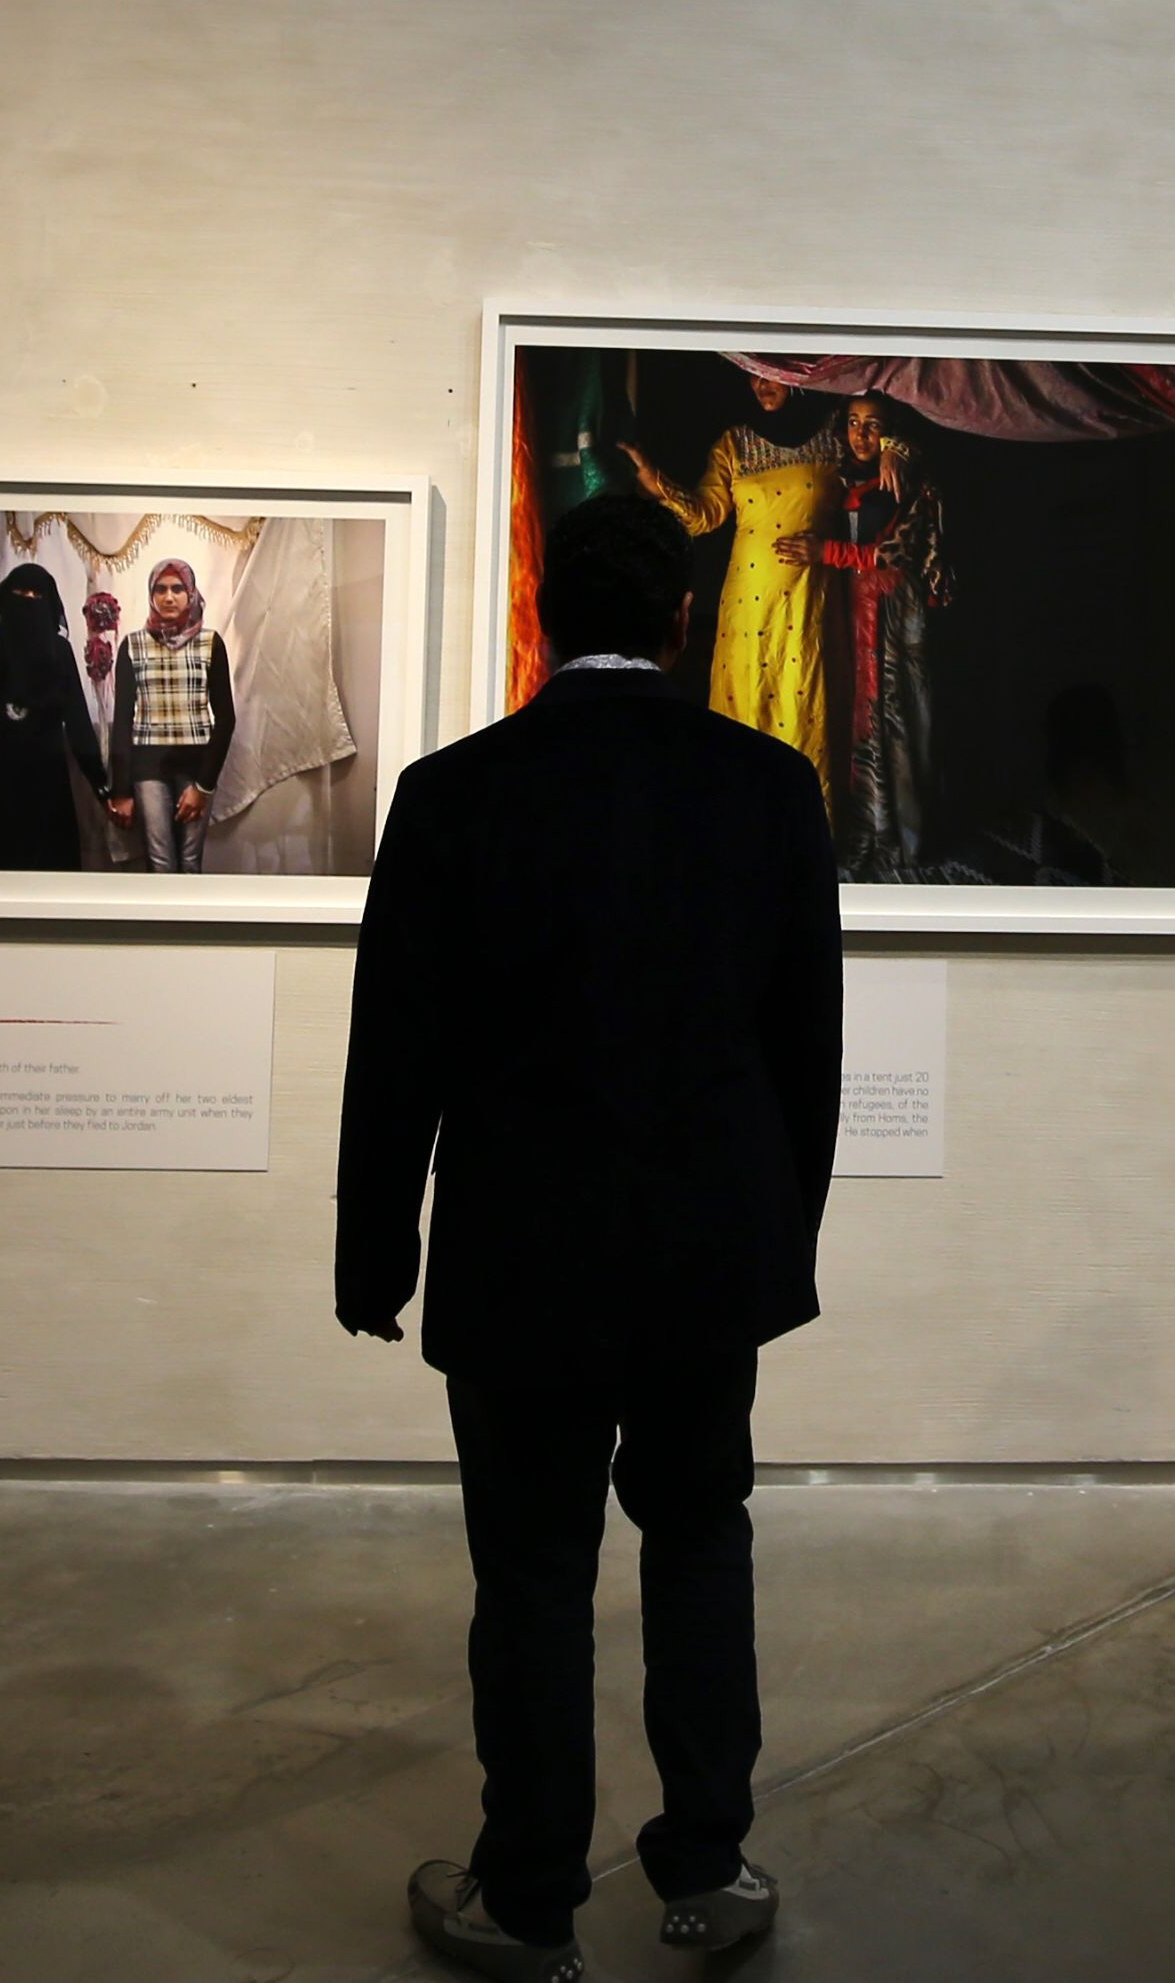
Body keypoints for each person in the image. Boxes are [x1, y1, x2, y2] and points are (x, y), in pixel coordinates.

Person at [335, 496, 841, 1976]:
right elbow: (800, 1051)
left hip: (519, 1258)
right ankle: (705, 1864)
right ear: (681, 620)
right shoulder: (766, 788)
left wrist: (378, 1256)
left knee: (536, 1571)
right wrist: (777, 1237)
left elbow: (395, 1055)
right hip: (703, 1263)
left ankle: (530, 1895)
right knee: (698, 1538)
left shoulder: (451, 794)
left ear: (546, 619)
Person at [625, 368, 846, 796]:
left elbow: (872, 474)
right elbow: (707, 514)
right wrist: (659, 484)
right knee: (749, 697)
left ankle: (804, 823)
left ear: (797, 378)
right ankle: (743, 819)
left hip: (810, 597)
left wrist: (895, 449)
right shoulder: (735, 443)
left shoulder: (835, 436)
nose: (761, 386)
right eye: (752, 377)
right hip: (750, 600)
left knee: (806, 702)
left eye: (770, 376)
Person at [775, 395, 952, 878]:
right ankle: (866, 832)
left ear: (891, 432)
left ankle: (901, 837)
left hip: (894, 610)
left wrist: (824, 551)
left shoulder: (904, 477)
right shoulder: (840, 472)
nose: (861, 435)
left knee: (893, 717)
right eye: (854, 423)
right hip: (853, 608)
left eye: (874, 426)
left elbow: (893, 554)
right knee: (857, 717)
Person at [0, 562, 108, 872]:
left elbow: (77, 723)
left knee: (51, 878)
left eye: (37, 595)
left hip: (46, 787)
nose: (28, 600)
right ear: (7, 596)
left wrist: (101, 786)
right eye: (21, 592)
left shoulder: (58, 652)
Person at [103, 557, 236, 872]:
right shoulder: (133, 645)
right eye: (161, 589)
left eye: (178, 588)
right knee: (159, 859)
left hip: (198, 767)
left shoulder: (210, 643)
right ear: (152, 595)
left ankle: (193, 923)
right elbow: (121, 721)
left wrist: (204, 786)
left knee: (190, 861)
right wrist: (120, 790)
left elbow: (226, 719)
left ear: (191, 594)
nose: (169, 597)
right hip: (148, 768)